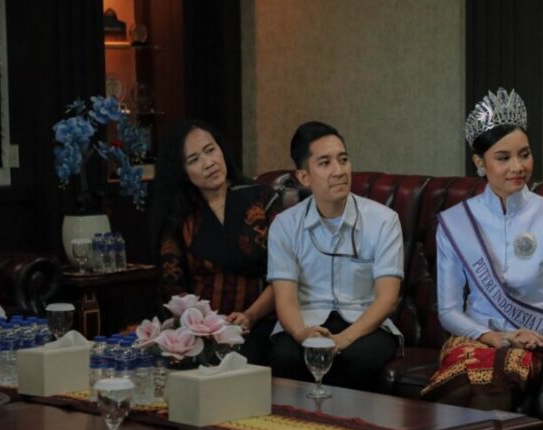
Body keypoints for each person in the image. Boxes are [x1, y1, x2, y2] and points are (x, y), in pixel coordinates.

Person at [410, 88, 543, 430]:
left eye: (524, 154)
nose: (517, 167)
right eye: (503, 158)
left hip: (535, 342)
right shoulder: (456, 223)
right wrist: (494, 336)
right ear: (479, 162)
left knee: (495, 374)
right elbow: (449, 311)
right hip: (479, 337)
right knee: (473, 372)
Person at [267, 121, 403, 391]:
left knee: (357, 360)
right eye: (325, 163)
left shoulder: (383, 220)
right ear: (304, 177)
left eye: (343, 160)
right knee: (285, 357)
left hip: (365, 324)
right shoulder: (285, 225)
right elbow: (285, 300)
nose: (339, 171)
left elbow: (387, 300)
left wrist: (343, 339)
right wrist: (302, 333)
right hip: (307, 321)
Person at [149, 119, 281, 365]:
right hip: (201, 331)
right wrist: (204, 327)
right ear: (182, 171)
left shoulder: (262, 197)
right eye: (194, 159)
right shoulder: (179, 217)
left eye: (210, 150)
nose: (209, 163)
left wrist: (250, 316)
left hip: (260, 322)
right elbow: (173, 287)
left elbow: (284, 274)